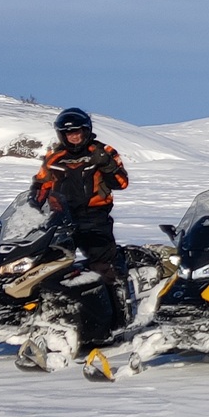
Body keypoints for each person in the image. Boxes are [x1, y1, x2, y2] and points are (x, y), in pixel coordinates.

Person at [30, 108, 129, 328]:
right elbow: (41, 184)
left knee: (103, 265)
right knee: (49, 264)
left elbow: (121, 183)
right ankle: (49, 313)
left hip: (94, 216)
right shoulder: (55, 157)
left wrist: (106, 164)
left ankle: (119, 317)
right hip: (60, 219)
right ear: (61, 135)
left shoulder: (102, 151)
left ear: (86, 131)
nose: (73, 136)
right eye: (68, 133)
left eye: (77, 132)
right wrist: (35, 200)